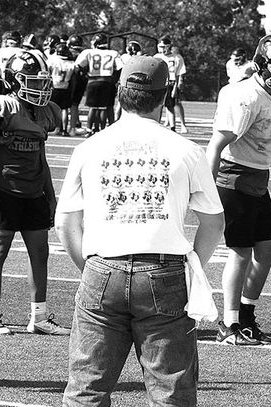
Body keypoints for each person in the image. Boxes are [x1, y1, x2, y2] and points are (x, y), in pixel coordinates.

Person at [56, 55, 225, 406]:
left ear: (119, 92)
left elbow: (66, 221)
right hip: (163, 270)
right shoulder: (186, 150)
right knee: (170, 391)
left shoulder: (89, 147)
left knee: (87, 389)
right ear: (166, 95)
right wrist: (192, 268)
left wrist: (90, 267)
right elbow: (213, 221)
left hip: (102, 266)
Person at [206, 33, 271, 345]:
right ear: (263, 66)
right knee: (240, 252)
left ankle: (246, 313)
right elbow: (217, 144)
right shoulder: (246, 97)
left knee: (267, 248)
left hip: (258, 177)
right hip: (233, 177)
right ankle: (229, 322)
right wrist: (206, 191)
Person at [0, 50, 70, 336]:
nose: (40, 88)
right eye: (33, 82)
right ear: (14, 81)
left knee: (40, 253)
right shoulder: (2, 108)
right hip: (5, 191)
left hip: (34, 192)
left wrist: (51, 195)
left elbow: (41, 156)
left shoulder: (45, 112)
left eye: (42, 83)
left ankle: (38, 317)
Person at [75, 33, 122, 136]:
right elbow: (119, 68)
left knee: (92, 108)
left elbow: (78, 66)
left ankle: (89, 129)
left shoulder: (88, 52)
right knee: (107, 107)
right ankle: (107, 129)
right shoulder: (113, 53)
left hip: (93, 81)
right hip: (107, 81)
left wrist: (85, 75)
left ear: (95, 43)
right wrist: (114, 80)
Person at [154, 36, 188, 133]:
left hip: (171, 83)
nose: (161, 49)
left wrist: (177, 85)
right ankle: (158, 124)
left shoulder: (177, 57)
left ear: (168, 46)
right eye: (160, 46)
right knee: (158, 106)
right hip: (160, 83)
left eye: (163, 46)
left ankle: (174, 127)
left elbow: (179, 73)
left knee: (171, 105)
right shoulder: (157, 57)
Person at [47, 43, 76, 137]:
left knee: (54, 108)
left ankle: (56, 128)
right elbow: (73, 77)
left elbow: (48, 72)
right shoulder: (71, 63)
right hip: (65, 87)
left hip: (55, 86)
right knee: (64, 110)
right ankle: (64, 130)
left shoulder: (52, 60)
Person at [67, 34, 87, 137]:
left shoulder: (69, 53)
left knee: (71, 105)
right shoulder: (84, 53)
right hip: (83, 80)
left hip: (72, 80)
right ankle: (75, 124)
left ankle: (71, 127)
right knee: (75, 104)